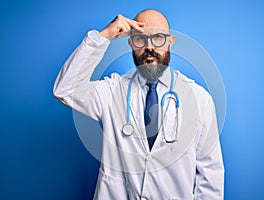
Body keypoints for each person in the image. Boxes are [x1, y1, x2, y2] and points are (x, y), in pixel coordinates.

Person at [53, 9, 224, 200]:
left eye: (158, 38)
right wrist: (104, 37)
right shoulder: (112, 91)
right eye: (140, 39)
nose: (149, 47)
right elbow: (65, 89)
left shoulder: (199, 99)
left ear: (170, 42)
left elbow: (211, 174)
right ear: (130, 43)